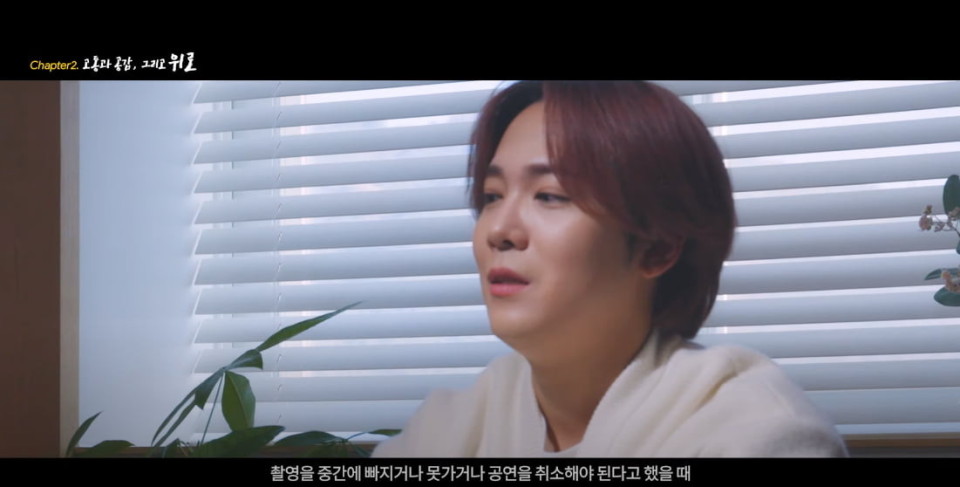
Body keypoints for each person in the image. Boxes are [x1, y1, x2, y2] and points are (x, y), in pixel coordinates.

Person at [373, 81, 848, 457]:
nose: (499, 230)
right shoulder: (449, 427)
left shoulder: (757, 432)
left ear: (657, 248)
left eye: (550, 196)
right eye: (492, 197)